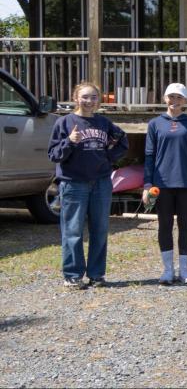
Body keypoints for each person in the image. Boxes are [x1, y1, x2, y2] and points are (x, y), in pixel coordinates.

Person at [48, 81, 128, 289]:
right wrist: (70, 141)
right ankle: (73, 275)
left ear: (98, 100)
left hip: (101, 182)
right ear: (76, 98)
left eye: (93, 97)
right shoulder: (64, 123)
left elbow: (122, 140)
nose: (89, 101)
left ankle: (96, 274)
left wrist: (108, 158)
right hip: (74, 183)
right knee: (73, 231)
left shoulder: (104, 123)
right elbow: (54, 154)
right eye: (85, 97)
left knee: (100, 230)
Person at [143, 83, 187, 285]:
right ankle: (168, 270)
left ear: (185, 101)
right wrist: (147, 184)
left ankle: (185, 269)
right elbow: (149, 155)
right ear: (164, 98)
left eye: (179, 97)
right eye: (171, 96)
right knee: (165, 225)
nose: (175, 101)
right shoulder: (155, 124)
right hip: (162, 184)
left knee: (185, 225)